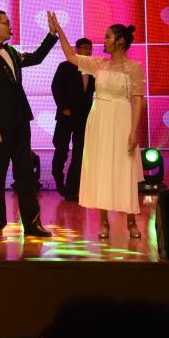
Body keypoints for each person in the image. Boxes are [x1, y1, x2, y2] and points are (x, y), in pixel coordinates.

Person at [49, 16, 143, 240]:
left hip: (122, 119)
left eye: (108, 37)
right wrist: (59, 30)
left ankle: (131, 221)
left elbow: (138, 100)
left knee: (124, 169)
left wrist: (133, 131)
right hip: (99, 119)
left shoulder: (134, 67)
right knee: (101, 169)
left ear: (120, 41)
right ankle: (103, 222)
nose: (104, 40)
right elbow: (71, 56)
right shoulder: (99, 64)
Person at [0, 10, 58, 238]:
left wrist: (51, 35)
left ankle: (32, 224)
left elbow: (36, 58)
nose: (10, 27)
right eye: (6, 23)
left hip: (20, 122)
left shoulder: (10, 51)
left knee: (26, 175)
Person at [51, 37, 95, 200]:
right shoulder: (65, 66)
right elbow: (56, 88)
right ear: (76, 49)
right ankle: (58, 176)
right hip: (66, 115)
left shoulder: (93, 69)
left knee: (79, 153)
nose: (87, 51)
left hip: (84, 117)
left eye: (89, 48)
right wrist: (64, 108)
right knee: (61, 149)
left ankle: (71, 189)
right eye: (84, 48)